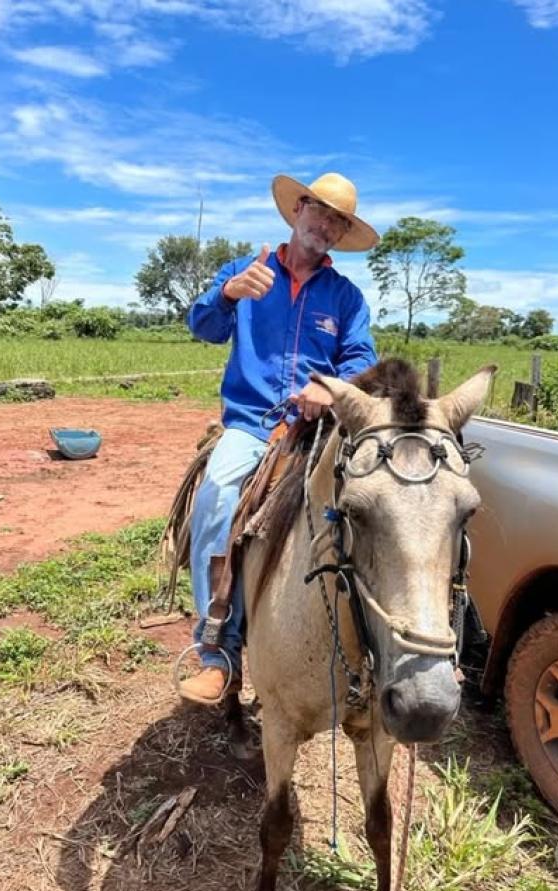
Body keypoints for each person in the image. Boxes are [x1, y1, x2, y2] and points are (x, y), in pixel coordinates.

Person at [179, 171, 379, 704]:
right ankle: (217, 651)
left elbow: (362, 358)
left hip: (319, 429)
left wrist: (329, 387)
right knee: (219, 498)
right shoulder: (248, 271)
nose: (328, 226)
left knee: (376, 505)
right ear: (297, 211)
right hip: (252, 423)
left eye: (340, 221)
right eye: (321, 212)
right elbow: (201, 326)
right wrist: (226, 293)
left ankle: (380, 643)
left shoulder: (346, 297)